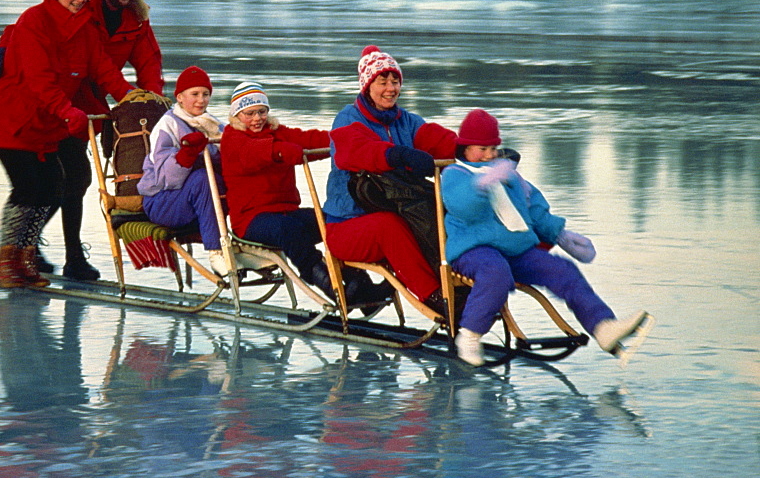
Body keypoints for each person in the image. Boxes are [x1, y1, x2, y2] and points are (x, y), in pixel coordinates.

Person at [441, 108, 649, 366]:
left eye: (493, 149)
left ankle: (602, 327)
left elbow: (534, 208)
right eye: (481, 149)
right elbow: (462, 205)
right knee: (495, 272)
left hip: (515, 248)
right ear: (465, 149)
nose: (489, 155)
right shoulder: (455, 174)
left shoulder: (509, 175)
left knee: (562, 270)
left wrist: (560, 235)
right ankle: (470, 335)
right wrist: (481, 185)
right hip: (475, 249)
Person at [0, 0, 135, 288]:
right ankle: (5, 260)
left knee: (53, 187)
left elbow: (104, 70)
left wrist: (134, 98)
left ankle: (24, 258)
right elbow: (40, 81)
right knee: (27, 189)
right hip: (12, 118)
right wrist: (68, 112)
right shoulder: (33, 22)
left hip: (46, 123)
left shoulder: (85, 29)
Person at [50, 0, 165, 280]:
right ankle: (49, 252)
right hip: (62, 101)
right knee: (69, 179)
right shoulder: (82, 5)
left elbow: (148, 61)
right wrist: (5, 50)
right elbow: (38, 25)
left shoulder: (137, 17)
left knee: (74, 179)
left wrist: (149, 100)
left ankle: (60, 254)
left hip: (95, 107)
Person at [323, 46, 458, 307]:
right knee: (390, 226)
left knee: (440, 215)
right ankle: (433, 296)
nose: (390, 88)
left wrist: (474, 150)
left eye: (395, 81)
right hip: (347, 227)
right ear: (367, 86)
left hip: (396, 214)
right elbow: (356, 150)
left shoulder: (405, 120)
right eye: (382, 81)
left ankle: (456, 282)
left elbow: (436, 139)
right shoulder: (348, 119)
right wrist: (398, 155)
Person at [219, 82, 339, 299]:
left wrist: (342, 140)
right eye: (250, 113)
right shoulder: (232, 138)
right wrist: (279, 152)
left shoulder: (277, 132)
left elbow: (307, 140)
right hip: (251, 219)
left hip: (285, 210)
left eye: (262, 112)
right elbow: (252, 154)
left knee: (334, 219)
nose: (257, 118)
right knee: (289, 229)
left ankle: (358, 283)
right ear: (237, 114)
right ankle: (326, 282)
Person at [137, 66, 227, 273]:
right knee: (203, 178)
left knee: (232, 178)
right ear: (179, 97)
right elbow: (166, 178)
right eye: (194, 94)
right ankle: (216, 252)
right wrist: (186, 154)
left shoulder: (212, 125)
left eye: (205, 94)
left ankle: (243, 242)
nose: (201, 100)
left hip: (195, 200)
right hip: (162, 201)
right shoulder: (168, 124)